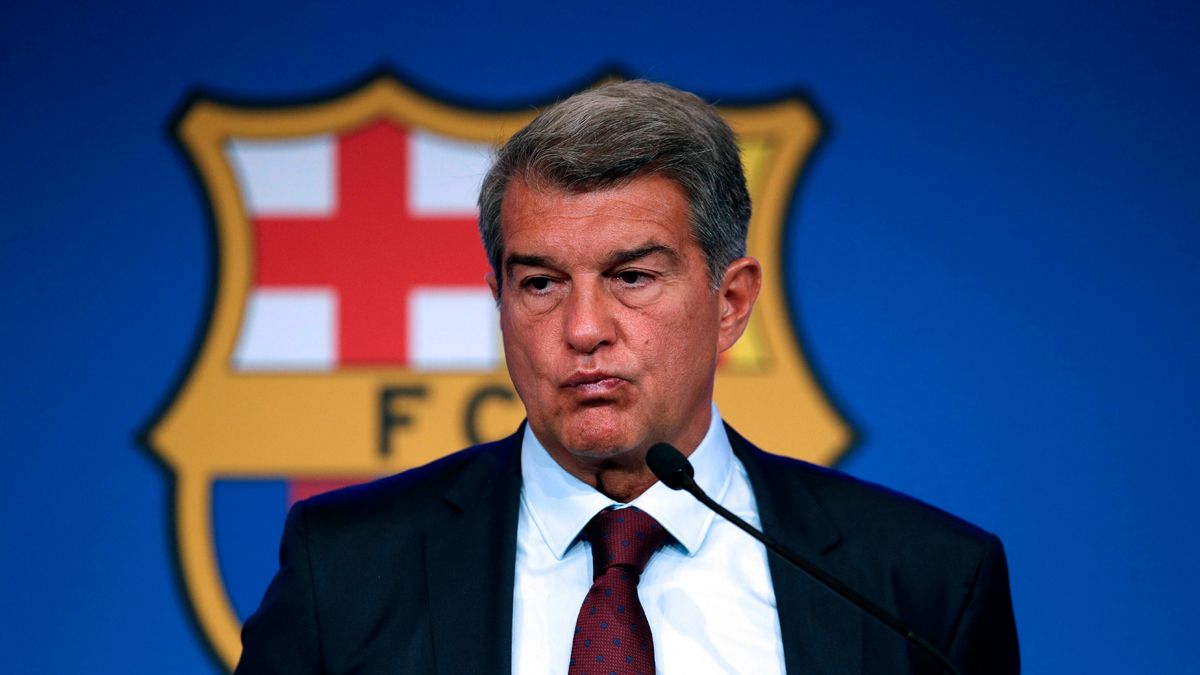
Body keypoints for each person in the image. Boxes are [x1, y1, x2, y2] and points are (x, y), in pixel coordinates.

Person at [234, 80, 1019, 675]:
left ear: (731, 302)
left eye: (632, 277)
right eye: (541, 283)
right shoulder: (346, 569)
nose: (583, 328)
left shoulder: (918, 584)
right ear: (499, 302)